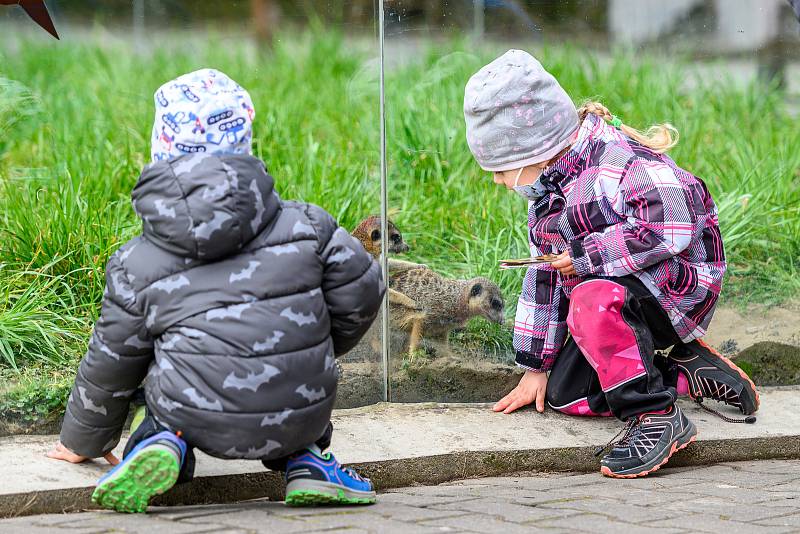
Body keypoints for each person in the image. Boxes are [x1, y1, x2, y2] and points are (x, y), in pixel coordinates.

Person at [47, 68, 385, 510]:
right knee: (300, 416)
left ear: (161, 151)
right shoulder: (308, 225)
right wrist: (315, 343)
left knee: (160, 397)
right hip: (300, 409)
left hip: (192, 412)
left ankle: (159, 443)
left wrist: (84, 439)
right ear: (244, 146)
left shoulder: (138, 260)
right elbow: (363, 290)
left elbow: (113, 358)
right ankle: (308, 464)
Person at [463, 50, 759, 478]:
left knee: (590, 297)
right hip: (614, 299)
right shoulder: (548, 196)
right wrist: (535, 367)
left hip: (675, 291)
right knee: (566, 392)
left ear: (534, 149)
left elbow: (673, 224)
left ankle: (656, 416)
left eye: (501, 168)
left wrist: (587, 257)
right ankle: (679, 372)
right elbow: (544, 283)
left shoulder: (616, 163)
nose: (498, 180)